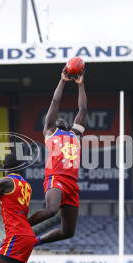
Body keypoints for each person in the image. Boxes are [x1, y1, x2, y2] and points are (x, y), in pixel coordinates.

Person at [28, 66, 87, 246]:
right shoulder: (50, 132)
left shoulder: (75, 135)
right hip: (56, 177)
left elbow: (82, 110)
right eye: (57, 119)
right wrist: (62, 80)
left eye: (64, 120)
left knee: (68, 232)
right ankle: (19, 227)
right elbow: (55, 102)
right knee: (51, 210)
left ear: (69, 126)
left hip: (71, 184)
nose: (61, 119)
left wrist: (81, 85)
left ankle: (34, 242)